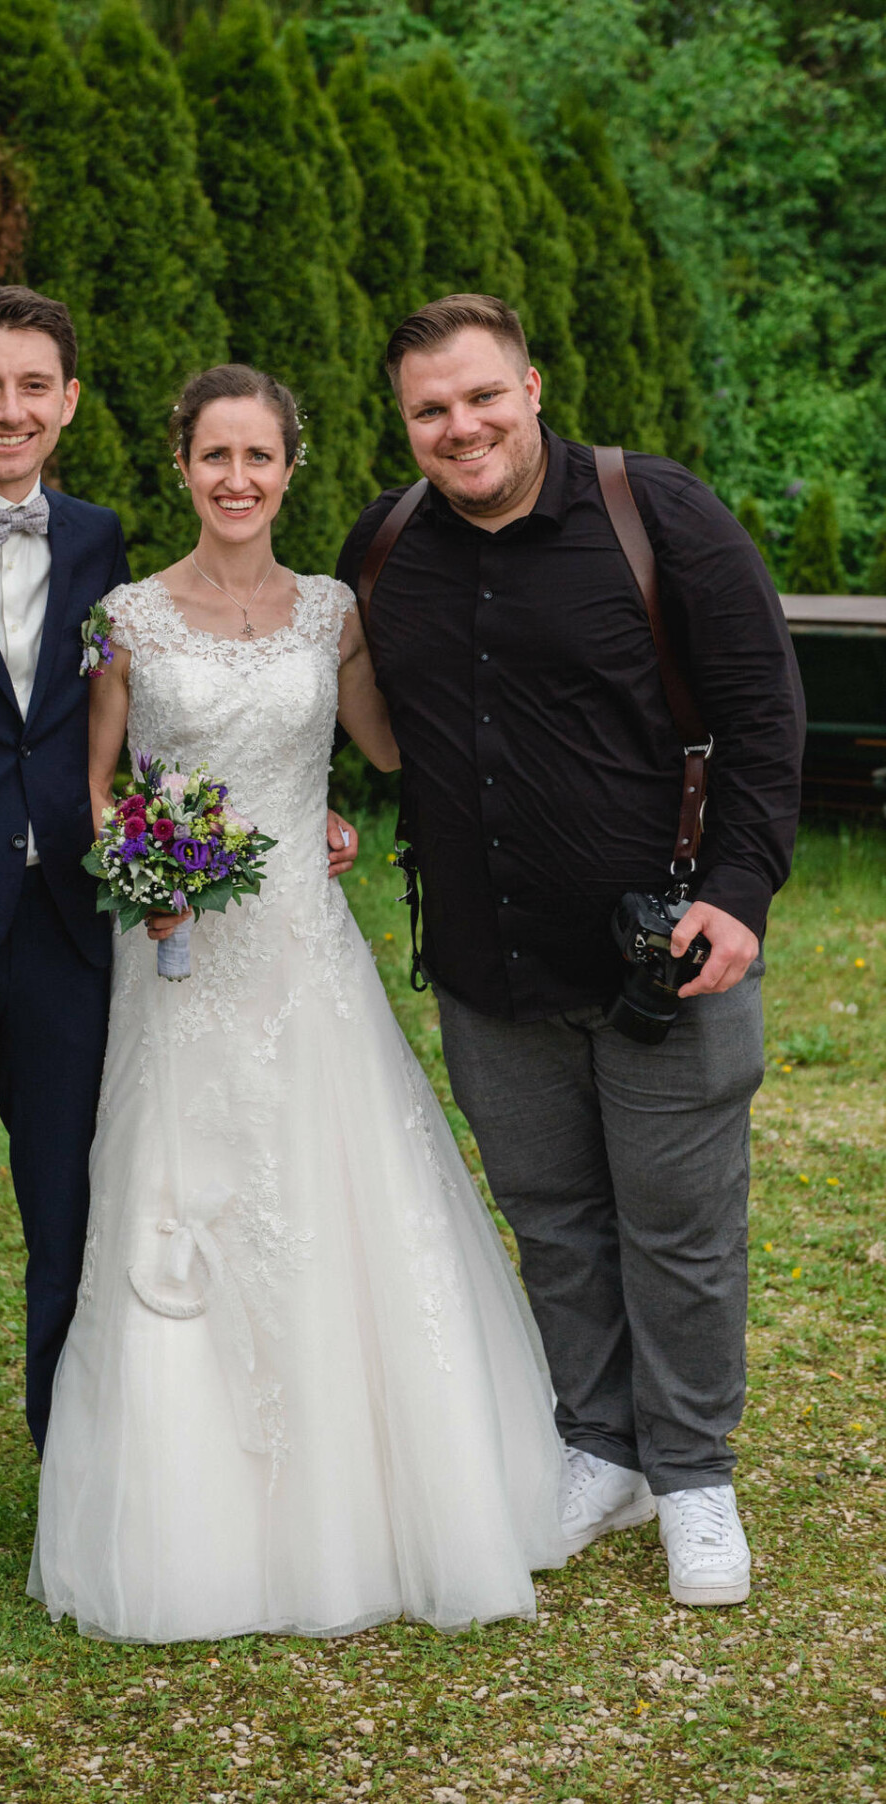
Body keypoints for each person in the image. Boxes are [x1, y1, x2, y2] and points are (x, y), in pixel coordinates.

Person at [0, 289, 358, 1615]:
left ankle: (76, 1463)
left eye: (34, 386)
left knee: (75, 1220)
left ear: (69, 404)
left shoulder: (104, 543)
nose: (10, 409)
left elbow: (150, 722)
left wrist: (283, 801)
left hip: (70, 942)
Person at [28, 364, 567, 1641]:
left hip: (303, 956)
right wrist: (135, 866)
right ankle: (191, 1506)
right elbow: (97, 786)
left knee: (335, 1191)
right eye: (214, 457)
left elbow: (388, 745)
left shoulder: (334, 611)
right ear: (182, 468)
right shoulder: (126, 618)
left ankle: (375, 1488)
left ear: (290, 468)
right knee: (183, 1190)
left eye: (258, 459)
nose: (236, 481)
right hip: (178, 959)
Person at [335, 294, 806, 1608]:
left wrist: (741, 895)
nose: (461, 426)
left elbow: (767, 721)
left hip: (669, 951)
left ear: (533, 388)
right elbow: (339, 703)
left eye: (483, 396)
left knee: (680, 1224)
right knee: (552, 1219)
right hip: (492, 963)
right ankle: (601, 1446)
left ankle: (695, 1472)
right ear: (406, 423)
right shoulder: (385, 547)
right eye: (431, 409)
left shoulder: (661, 516)